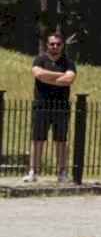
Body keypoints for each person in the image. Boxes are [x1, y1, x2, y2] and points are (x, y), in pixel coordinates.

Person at [25, 33, 77, 183]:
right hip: (41, 105)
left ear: (62, 45)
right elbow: (38, 74)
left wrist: (48, 78)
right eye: (52, 44)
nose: (55, 46)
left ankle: (62, 172)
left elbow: (69, 79)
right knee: (37, 139)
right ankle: (33, 171)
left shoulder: (68, 62)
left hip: (61, 106)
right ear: (47, 45)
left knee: (61, 140)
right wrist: (59, 76)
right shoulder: (40, 59)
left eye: (58, 44)